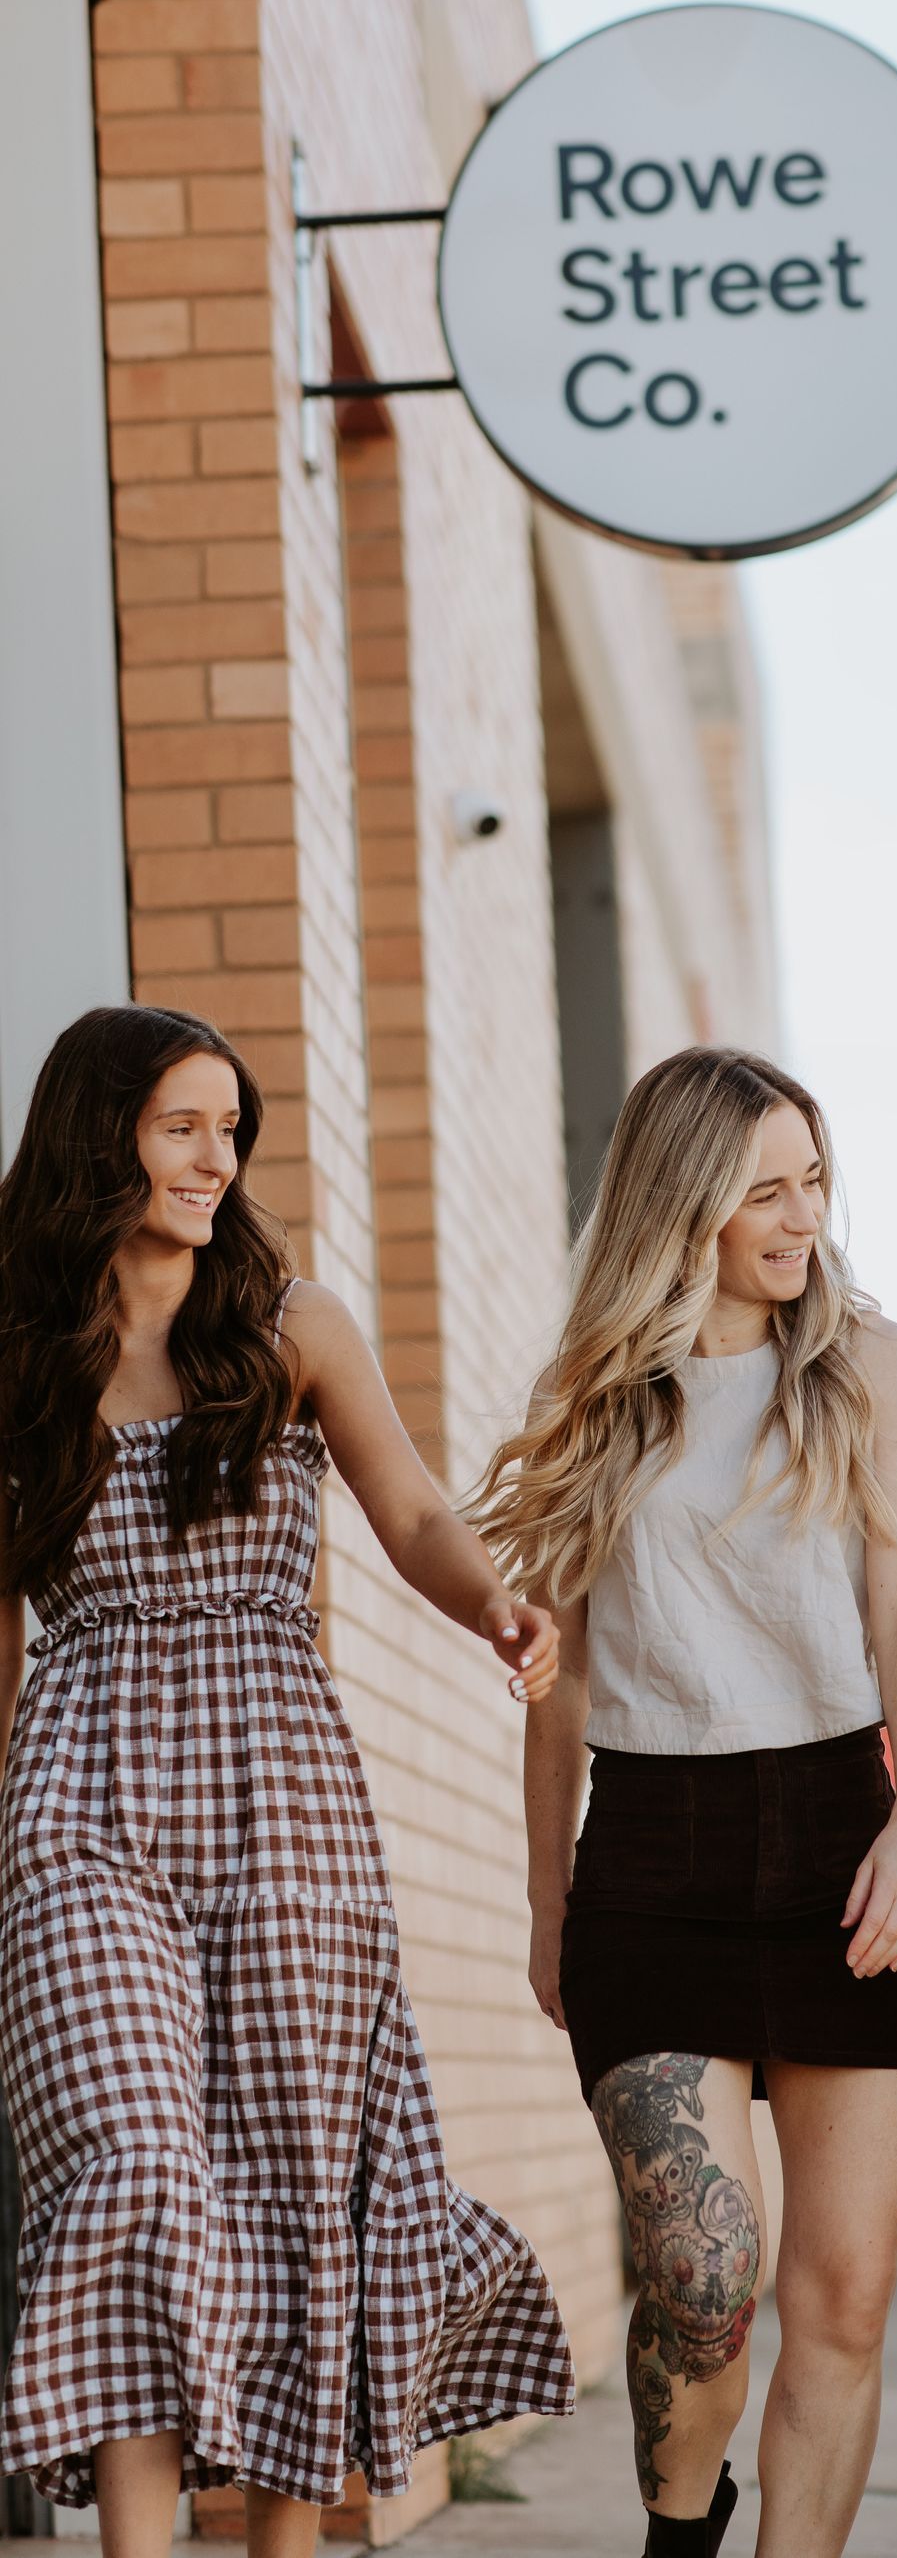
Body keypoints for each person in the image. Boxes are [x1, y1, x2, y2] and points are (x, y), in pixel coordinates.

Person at [0, 1006, 573, 2558]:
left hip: (280, 1788)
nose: (214, 1157)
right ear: (98, 1129)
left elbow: (414, 1514)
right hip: (78, 1794)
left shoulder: (289, 1323)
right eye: (181, 1124)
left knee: (296, 2179)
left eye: (227, 1129)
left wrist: (496, 1605)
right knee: (131, 2161)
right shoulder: (15, 1348)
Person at [479, 1046, 897, 2558]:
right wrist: (546, 1903)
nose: (802, 1215)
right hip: (653, 1853)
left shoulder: (874, 1365)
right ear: (682, 1199)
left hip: (837, 1838)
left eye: (814, 1179)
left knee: (843, 2300)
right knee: (703, 2272)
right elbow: (552, 1680)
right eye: (766, 1187)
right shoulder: (597, 1392)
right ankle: (683, 2529)